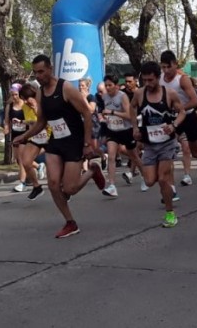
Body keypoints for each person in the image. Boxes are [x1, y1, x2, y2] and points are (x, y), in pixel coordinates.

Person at [13, 55, 105, 238]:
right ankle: (70, 222)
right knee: (54, 184)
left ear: (50, 69)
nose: (38, 76)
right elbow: (41, 122)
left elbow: (86, 113)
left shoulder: (66, 88)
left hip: (74, 141)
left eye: (41, 71)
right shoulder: (39, 92)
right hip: (56, 140)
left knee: (69, 188)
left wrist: (87, 143)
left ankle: (92, 171)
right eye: (36, 72)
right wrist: (23, 136)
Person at [130, 61, 187, 228]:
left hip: (167, 143)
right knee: (149, 181)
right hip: (149, 144)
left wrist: (174, 125)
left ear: (158, 78)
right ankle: (169, 189)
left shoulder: (169, 94)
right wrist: (135, 127)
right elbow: (132, 109)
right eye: (145, 80)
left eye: (151, 80)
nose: (148, 84)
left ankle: (170, 213)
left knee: (162, 179)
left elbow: (182, 111)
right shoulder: (139, 94)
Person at [159, 50, 197, 188]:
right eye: (163, 67)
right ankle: (170, 188)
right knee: (167, 151)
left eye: (169, 67)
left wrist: (180, 109)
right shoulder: (160, 78)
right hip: (172, 118)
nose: (166, 70)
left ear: (175, 64)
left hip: (188, 116)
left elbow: (196, 101)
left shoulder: (182, 79)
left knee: (195, 152)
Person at [100, 74, 144, 197]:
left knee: (134, 156)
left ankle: (145, 177)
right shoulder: (104, 97)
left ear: (117, 86)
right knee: (111, 157)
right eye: (106, 85)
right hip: (112, 130)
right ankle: (112, 186)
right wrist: (105, 116)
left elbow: (129, 116)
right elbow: (106, 111)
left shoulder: (122, 97)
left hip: (125, 130)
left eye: (110, 85)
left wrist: (113, 112)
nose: (107, 88)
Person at [13, 83, 46, 199]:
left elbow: (42, 120)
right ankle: (36, 187)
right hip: (35, 136)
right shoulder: (25, 106)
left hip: (49, 135)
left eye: (27, 98)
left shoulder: (43, 102)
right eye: (23, 99)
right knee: (25, 161)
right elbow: (31, 121)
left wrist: (36, 108)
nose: (25, 101)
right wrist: (22, 122)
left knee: (56, 164)